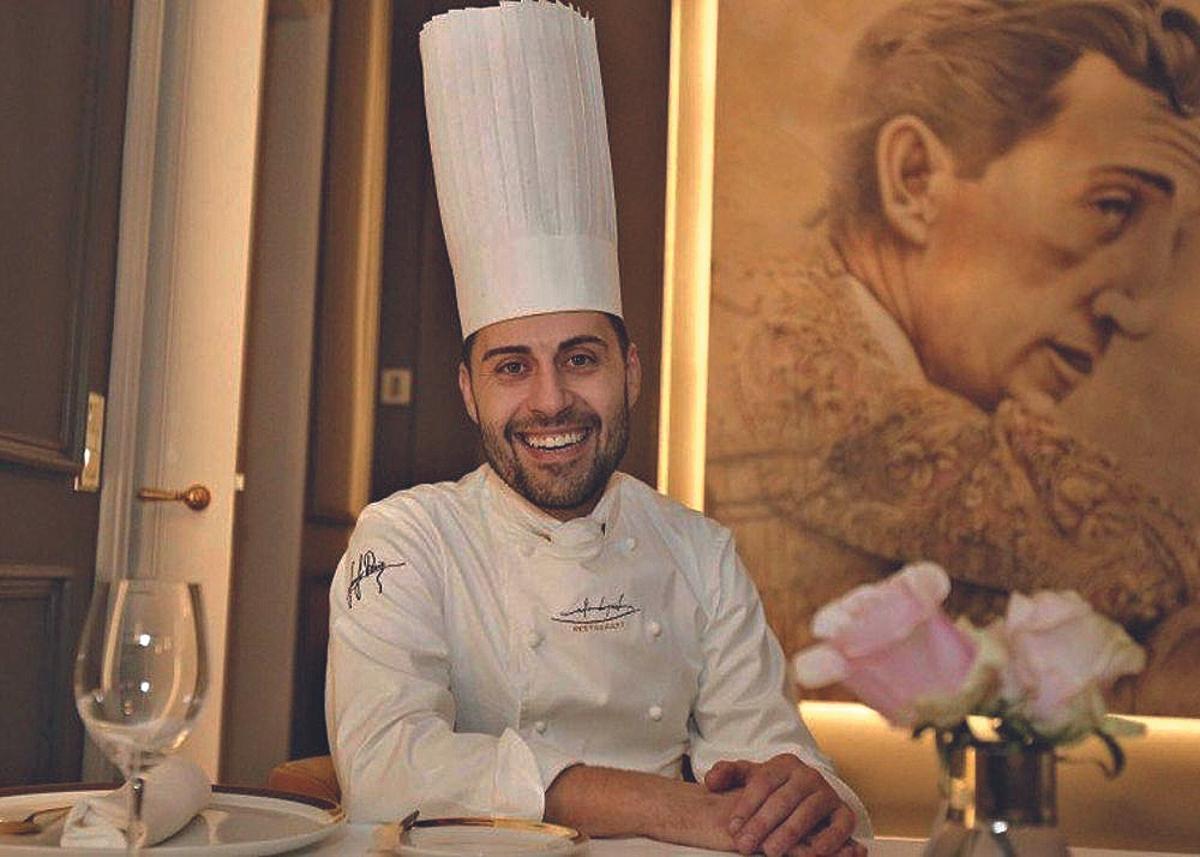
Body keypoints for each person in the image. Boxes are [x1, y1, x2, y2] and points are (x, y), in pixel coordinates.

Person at [326, 3, 870, 854]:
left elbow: (771, 756)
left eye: (580, 358)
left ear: (632, 371)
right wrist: (669, 806)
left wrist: (809, 795)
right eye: (512, 367)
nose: (550, 402)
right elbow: (385, 766)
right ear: (469, 392)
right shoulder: (407, 539)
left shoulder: (700, 553)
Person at [706, 0, 1200, 709]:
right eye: (1112, 206)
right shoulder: (741, 388)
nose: (1139, 311)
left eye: (1177, 240)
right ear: (915, 179)